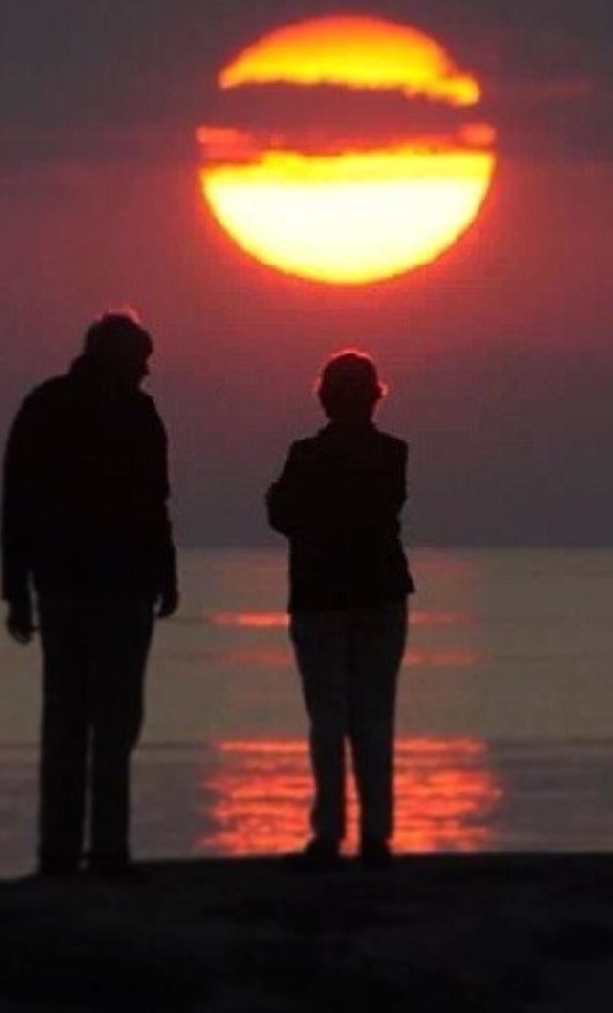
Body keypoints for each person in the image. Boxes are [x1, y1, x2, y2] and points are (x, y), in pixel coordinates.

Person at [0, 310, 178, 877]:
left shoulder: (44, 406)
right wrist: (164, 573)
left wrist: (16, 590)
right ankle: (105, 851)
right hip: (114, 587)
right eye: (142, 362)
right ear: (121, 359)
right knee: (114, 723)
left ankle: (61, 852)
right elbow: (155, 503)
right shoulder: (133, 412)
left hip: (65, 585)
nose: (148, 373)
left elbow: (17, 504)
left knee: (68, 723)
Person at [266, 350, 414, 869]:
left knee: (328, 718)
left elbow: (281, 513)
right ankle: (375, 834)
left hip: (321, 597)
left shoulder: (305, 456)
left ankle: (330, 833)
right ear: (374, 398)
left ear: (325, 399)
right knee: (373, 716)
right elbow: (381, 508)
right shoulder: (392, 453)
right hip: (378, 594)